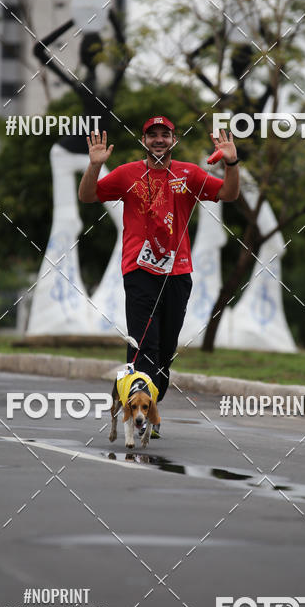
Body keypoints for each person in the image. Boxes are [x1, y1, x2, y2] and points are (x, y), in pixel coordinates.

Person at [78, 116, 239, 437]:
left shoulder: (189, 173)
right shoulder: (127, 174)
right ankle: (138, 410)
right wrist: (95, 165)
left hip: (178, 272)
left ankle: (141, 397)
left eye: (165, 135)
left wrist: (232, 162)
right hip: (138, 270)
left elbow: (230, 195)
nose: (159, 140)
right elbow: (87, 196)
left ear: (173, 140)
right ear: (144, 140)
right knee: (145, 343)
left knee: (165, 349)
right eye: (152, 135)